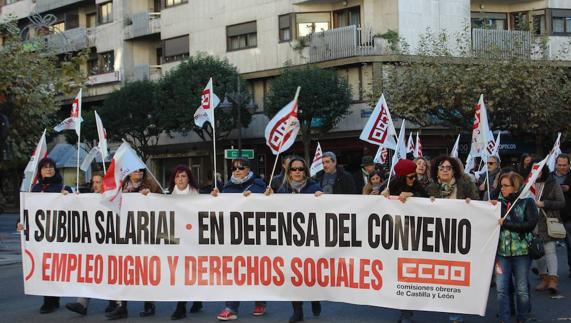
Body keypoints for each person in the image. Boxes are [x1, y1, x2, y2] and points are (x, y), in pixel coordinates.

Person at [264, 156, 322, 323]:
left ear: (305, 171)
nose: (297, 172)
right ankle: (297, 310)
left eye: (300, 169)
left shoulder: (314, 187)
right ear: (288, 171)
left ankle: (315, 297)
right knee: (293, 274)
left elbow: (325, 209)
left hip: (311, 238)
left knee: (310, 272)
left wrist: (321, 198)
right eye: (293, 169)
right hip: (290, 239)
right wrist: (267, 197)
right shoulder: (282, 189)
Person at [212, 157, 266, 321]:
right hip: (234, 237)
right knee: (233, 270)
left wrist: (256, 196)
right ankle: (231, 307)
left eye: (241, 167)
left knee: (256, 269)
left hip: (255, 234)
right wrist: (214, 198)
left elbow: (267, 203)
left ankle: (260, 302)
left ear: (249, 169)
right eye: (234, 168)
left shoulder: (259, 185)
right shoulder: (227, 187)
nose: (237, 170)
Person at [425, 156, 478, 323]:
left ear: (454, 170)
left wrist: (472, 203)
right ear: (437, 172)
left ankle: (456, 315)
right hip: (438, 238)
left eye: (449, 167)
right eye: (442, 167)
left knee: (456, 277)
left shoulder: (466, 185)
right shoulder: (432, 188)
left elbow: (479, 205)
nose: (445, 170)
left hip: (460, 238)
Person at [106, 168, 162, 320]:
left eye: (140, 170)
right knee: (122, 270)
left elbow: (163, 203)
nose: (138, 173)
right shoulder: (120, 187)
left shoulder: (151, 185)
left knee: (145, 270)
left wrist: (150, 197)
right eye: (135, 170)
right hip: (124, 235)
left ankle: (149, 304)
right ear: (128, 173)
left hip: (145, 234)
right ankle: (121, 306)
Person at [65, 174, 118, 316]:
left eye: (98, 182)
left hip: (111, 243)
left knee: (112, 274)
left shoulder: (112, 197)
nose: (95, 185)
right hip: (92, 245)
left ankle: (115, 303)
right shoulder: (87, 198)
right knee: (89, 273)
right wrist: (70, 197)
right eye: (93, 182)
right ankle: (82, 303)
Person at [25, 158, 73, 314]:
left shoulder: (62, 187)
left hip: (58, 235)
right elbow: (27, 209)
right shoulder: (35, 189)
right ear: (40, 171)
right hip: (41, 236)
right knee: (44, 267)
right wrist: (21, 222)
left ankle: (53, 298)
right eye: (45, 167)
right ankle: (48, 300)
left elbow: (75, 207)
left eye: (51, 167)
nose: (48, 169)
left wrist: (68, 197)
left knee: (55, 267)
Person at [496, 172, 538, 323]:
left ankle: (522, 317)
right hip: (502, 252)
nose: (502, 189)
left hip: (522, 252)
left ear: (515, 186)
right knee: (501, 289)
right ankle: (504, 318)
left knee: (521, 289)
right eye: (501, 185)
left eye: (506, 186)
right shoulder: (497, 203)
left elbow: (530, 224)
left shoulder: (526, 201)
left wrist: (506, 223)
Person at [167, 165, 204, 320]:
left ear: (189, 178)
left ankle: (195, 299)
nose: (180, 179)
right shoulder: (167, 195)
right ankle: (181, 306)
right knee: (180, 273)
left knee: (192, 271)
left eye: (183, 176)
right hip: (176, 240)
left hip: (193, 239)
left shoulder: (197, 195)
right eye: (177, 177)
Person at [533, 166, 565, 294]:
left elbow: (561, 202)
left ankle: (553, 280)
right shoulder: (529, 183)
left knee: (550, 250)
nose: (537, 173)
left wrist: (544, 203)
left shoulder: (553, 183)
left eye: (539, 170)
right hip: (533, 221)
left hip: (548, 220)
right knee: (537, 252)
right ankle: (544, 277)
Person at [550, 154, 571, 278]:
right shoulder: (550, 177)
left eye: (564, 165)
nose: (562, 167)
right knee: (549, 246)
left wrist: (569, 189)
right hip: (552, 216)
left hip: (569, 216)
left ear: (569, 165)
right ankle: (547, 271)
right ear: (556, 164)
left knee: (570, 244)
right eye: (559, 165)